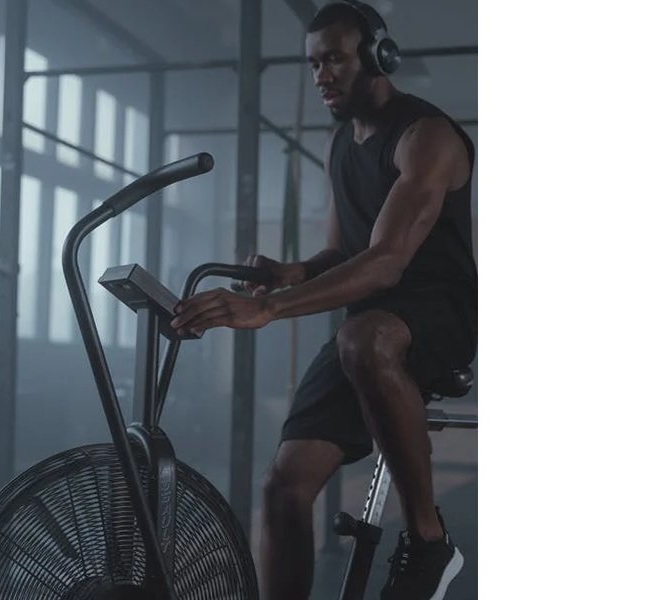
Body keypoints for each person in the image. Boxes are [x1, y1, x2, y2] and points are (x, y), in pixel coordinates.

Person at [170, 2, 477, 600]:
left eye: (335, 58)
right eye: (313, 64)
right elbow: (344, 253)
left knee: (361, 338)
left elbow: (386, 262)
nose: (322, 75)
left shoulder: (426, 137)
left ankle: (429, 540)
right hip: (370, 324)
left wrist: (269, 310)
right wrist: (291, 274)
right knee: (283, 487)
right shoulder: (344, 141)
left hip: (442, 312)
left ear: (378, 57)